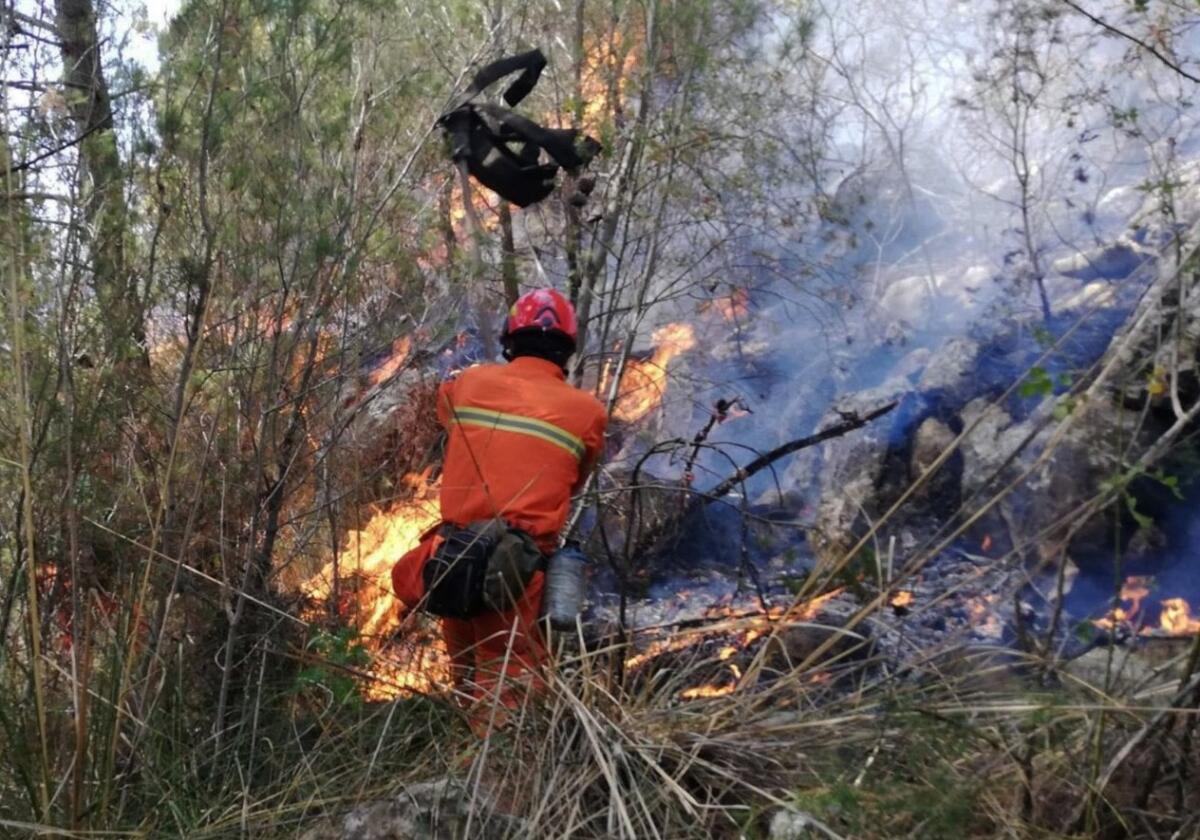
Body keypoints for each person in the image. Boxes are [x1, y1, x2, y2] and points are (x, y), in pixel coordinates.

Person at [391, 288, 607, 718]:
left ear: (510, 337)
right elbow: (575, 482)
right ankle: (499, 777)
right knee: (510, 696)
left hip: (451, 560)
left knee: (468, 681)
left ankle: (466, 760)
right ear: (567, 347)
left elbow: (444, 408)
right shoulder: (588, 412)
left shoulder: (468, 385)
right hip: (516, 575)